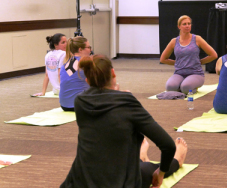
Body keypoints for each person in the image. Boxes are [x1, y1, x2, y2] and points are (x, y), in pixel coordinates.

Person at [60, 55, 178, 188]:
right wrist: (161, 172)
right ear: (113, 72)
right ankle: (177, 159)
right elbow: (168, 145)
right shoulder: (127, 102)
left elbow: (106, 125)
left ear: (87, 81)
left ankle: (141, 155)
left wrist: (116, 94)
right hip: (120, 182)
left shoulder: (80, 101)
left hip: (80, 181)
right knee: (152, 168)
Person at [160, 15, 218, 94]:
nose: (187, 26)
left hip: (196, 73)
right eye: (184, 24)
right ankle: (182, 84)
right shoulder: (174, 41)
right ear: (179, 26)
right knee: (170, 88)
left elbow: (213, 55)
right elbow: (163, 59)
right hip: (179, 73)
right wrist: (177, 63)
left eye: (189, 24)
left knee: (185, 88)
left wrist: (199, 62)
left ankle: (189, 86)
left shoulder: (197, 39)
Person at [59, 36, 91, 111]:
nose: (90, 50)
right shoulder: (86, 63)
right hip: (80, 105)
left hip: (64, 105)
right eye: (88, 47)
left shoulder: (65, 64)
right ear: (80, 49)